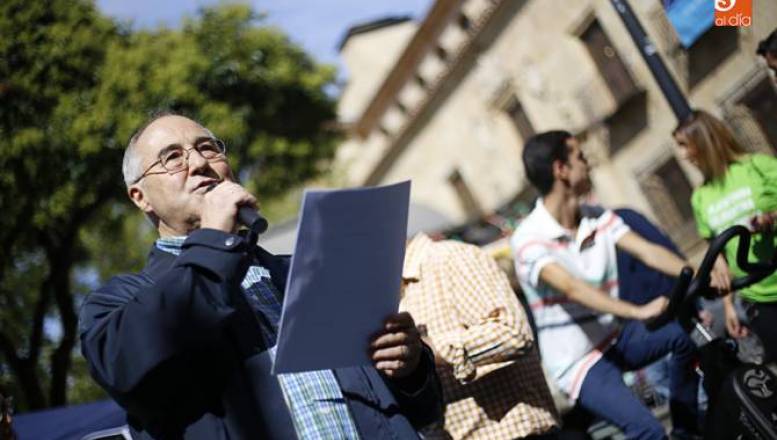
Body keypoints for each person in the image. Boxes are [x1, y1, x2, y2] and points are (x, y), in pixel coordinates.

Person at [78, 112, 443, 439]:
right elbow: (128, 370)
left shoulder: (310, 272)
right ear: (141, 197)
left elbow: (421, 411)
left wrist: (411, 369)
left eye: (208, 148)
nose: (200, 163)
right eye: (172, 157)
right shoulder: (119, 303)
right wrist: (214, 240)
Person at [511, 131, 704, 440]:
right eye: (580, 157)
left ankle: (686, 432)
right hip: (579, 361)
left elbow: (647, 251)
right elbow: (571, 287)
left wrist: (700, 273)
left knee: (681, 337)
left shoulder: (597, 218)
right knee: (648, 429)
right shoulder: (528, 237)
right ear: (561, 170)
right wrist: (637, 311)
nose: (589, 163)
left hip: (614, 339)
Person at [399, 233, 573, 440]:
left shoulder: (450, 258)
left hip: (514, 434)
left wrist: (428, 352)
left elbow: (513, 332)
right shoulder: (393, 294)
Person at [674, 109, 777, 364]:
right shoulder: (700, 198)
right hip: (757, 296)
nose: (683, 155)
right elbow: (717, 254)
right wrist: (730, 306)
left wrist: (771, 218)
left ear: (704, 141)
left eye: (685, 146)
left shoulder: (756, 166)